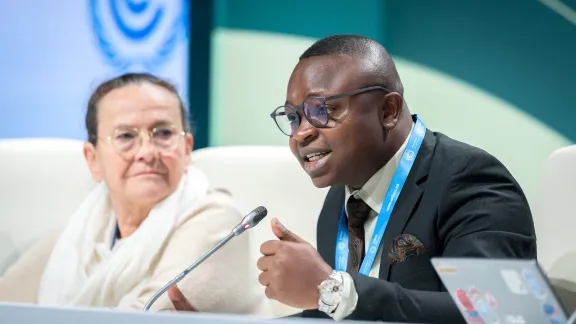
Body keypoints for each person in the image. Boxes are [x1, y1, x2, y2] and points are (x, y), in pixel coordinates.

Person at [167, 35, 537, 323]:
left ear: (388, 110)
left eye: (322, 111)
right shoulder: (341, 202)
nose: (301, 134)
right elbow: (339, 315)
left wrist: (333, 288)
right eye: (294, 117)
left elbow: (499, 316)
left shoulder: (470, 181)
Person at [0, 73, 271, 316]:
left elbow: (143, 317)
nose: (147, 152)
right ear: (92, 159)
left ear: (186, 149)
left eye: (163, 133)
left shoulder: (219, 221)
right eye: (126, 136)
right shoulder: (79, 230)